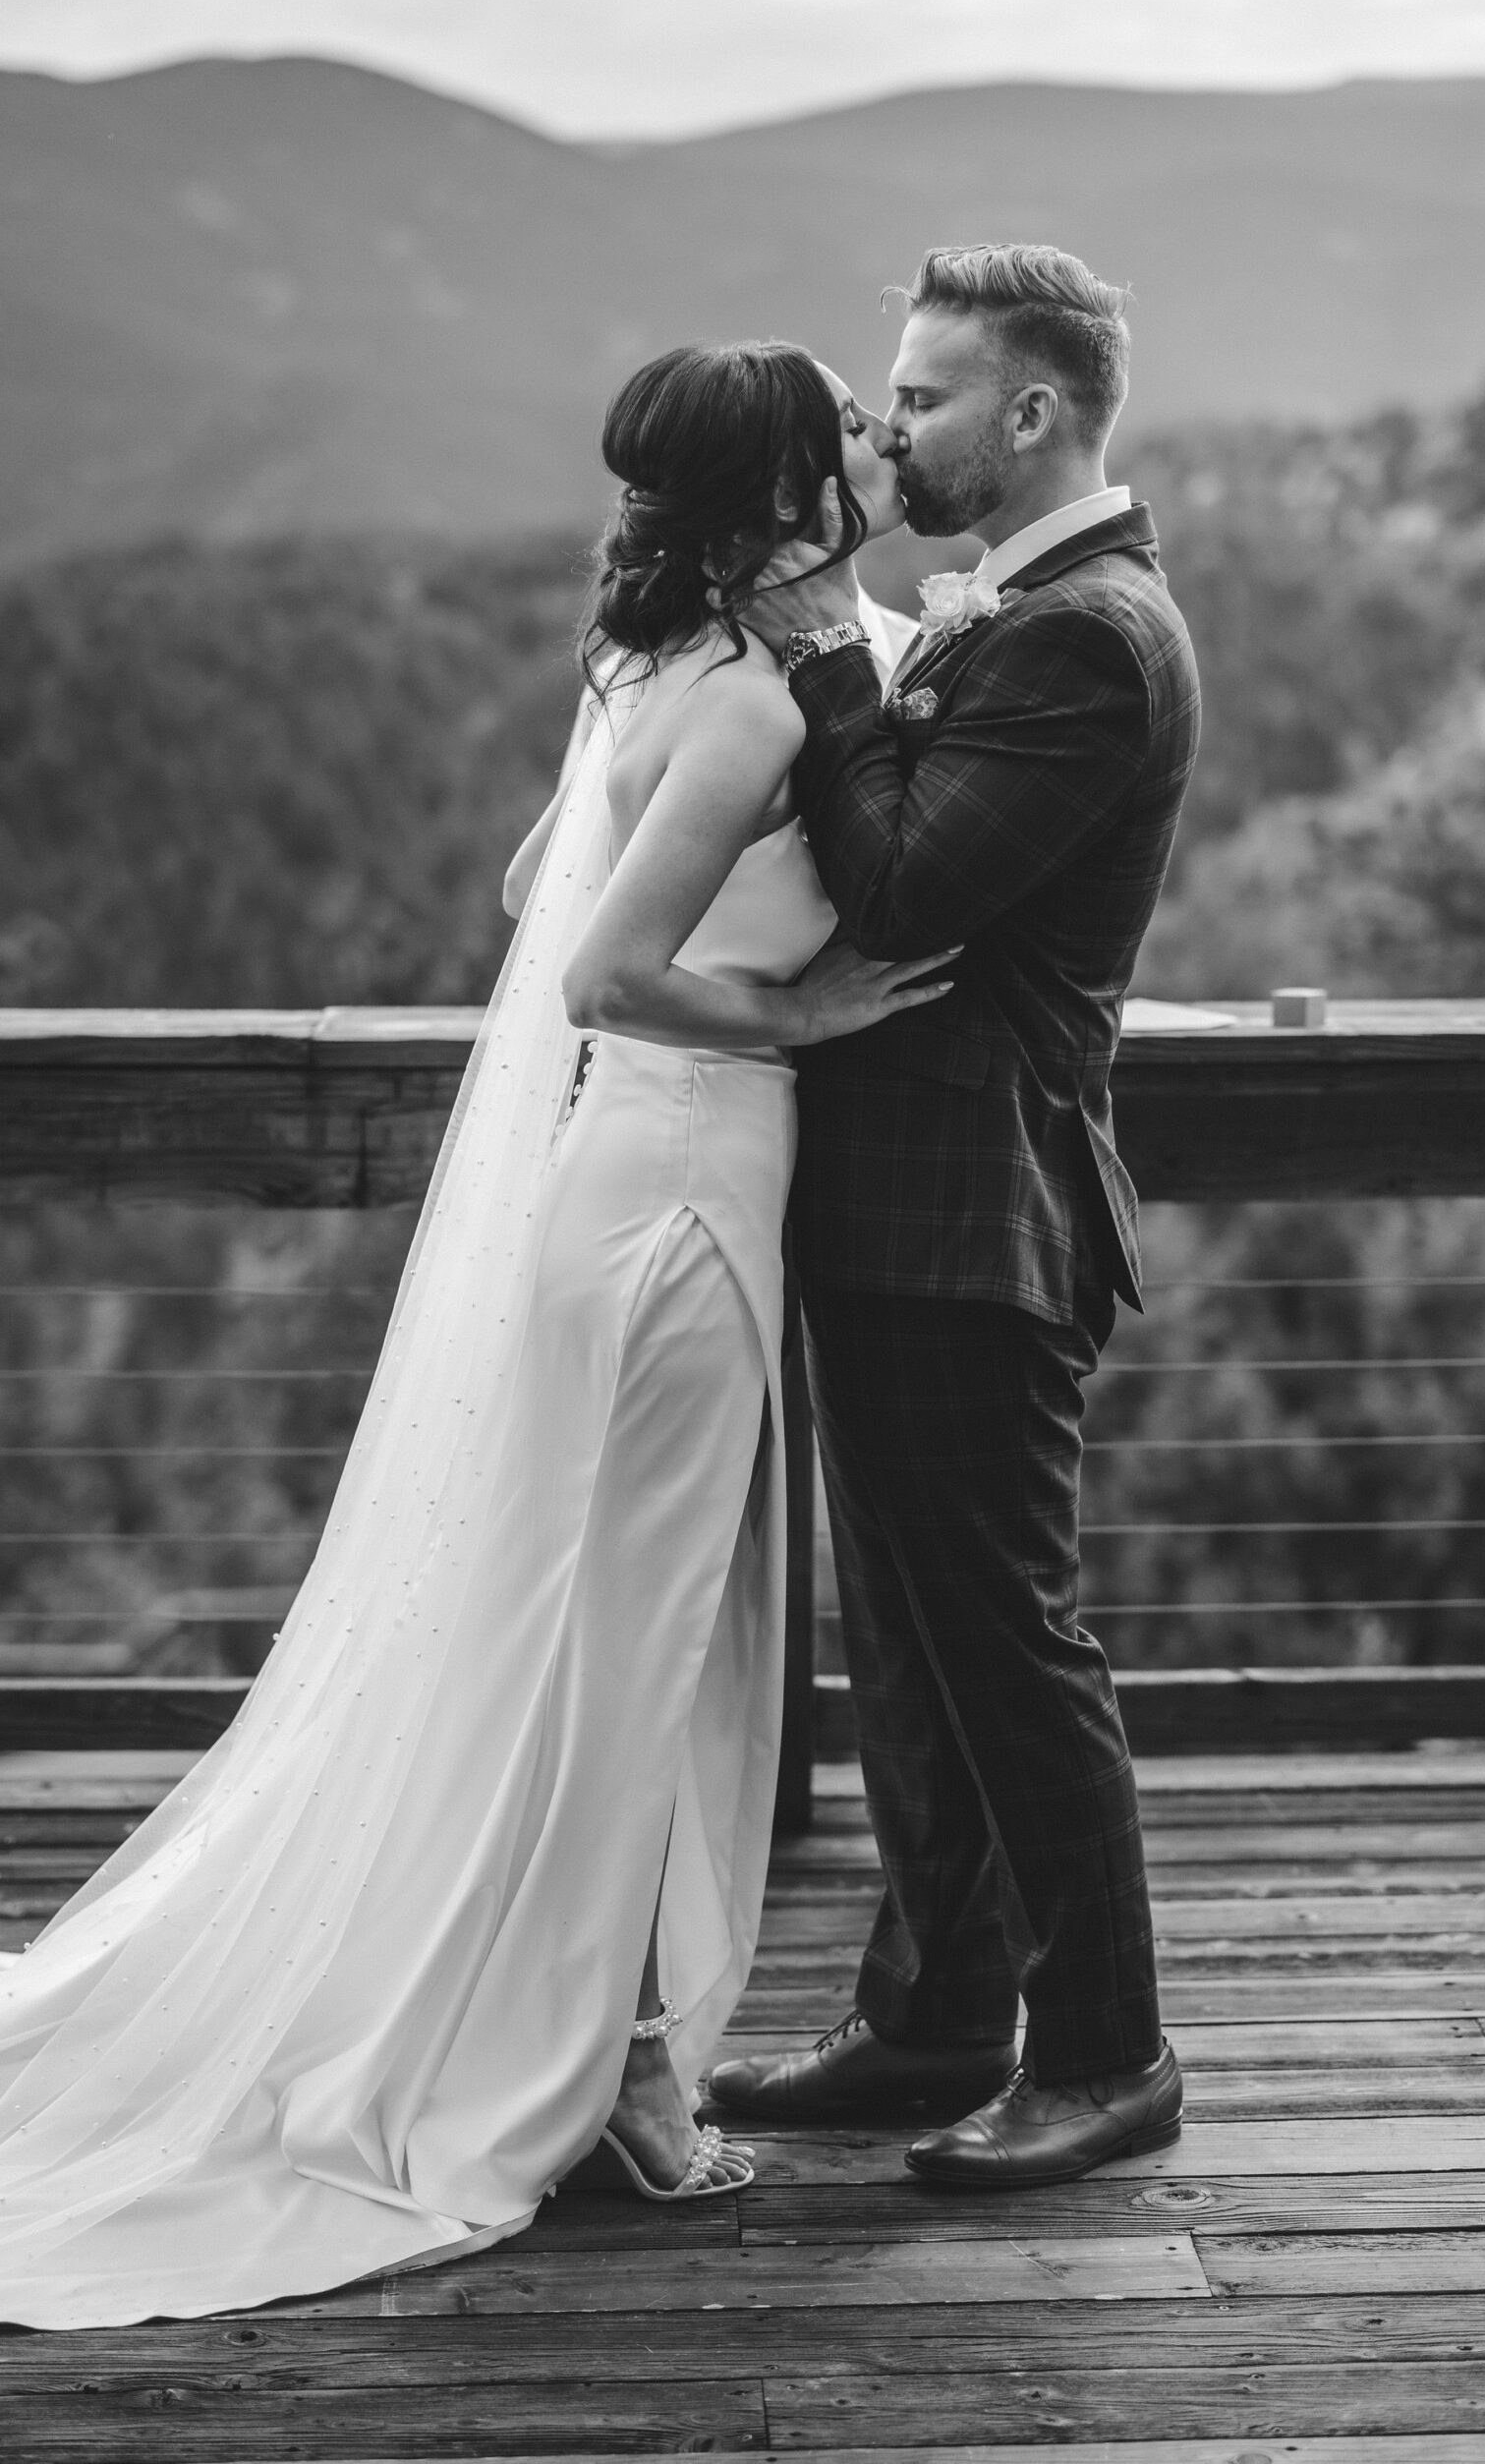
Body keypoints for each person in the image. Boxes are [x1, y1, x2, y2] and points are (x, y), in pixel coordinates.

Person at [0, 341, 934, 2327]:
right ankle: (607, 2078)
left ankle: (588, 2027)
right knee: (635, 1654)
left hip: (617, 1188)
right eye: (845, 419)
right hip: (685, 1196)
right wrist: (808, 1011)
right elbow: (599, 961)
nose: (872, 436)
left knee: (581, 1632)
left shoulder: (645, 666)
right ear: (783, 481)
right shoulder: (760, 696)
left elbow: (533, 882)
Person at [709, 244, 1201, 2188]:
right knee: (909, 1643)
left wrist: (832, 650)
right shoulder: (1029, 606)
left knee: (1005, 1641)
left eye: (917, 394)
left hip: (971, 1199)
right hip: (901, 1197)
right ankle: (931, 2018)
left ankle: (1106, 2050)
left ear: (1026, 413)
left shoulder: (1088, 633)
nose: (886, 421)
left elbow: (908, 885)